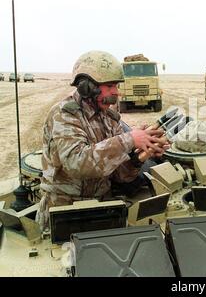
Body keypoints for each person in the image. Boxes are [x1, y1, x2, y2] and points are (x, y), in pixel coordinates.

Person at [36, 51, 169, 230]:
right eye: (109, 86)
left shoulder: (109, 118)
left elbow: (119, 175)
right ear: (86, 87)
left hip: (103, 209)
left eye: (116, 86)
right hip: (64, 213)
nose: (116, 92)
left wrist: (142, 154)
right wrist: (129, 139)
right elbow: (77, 163)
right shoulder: (64, 115)